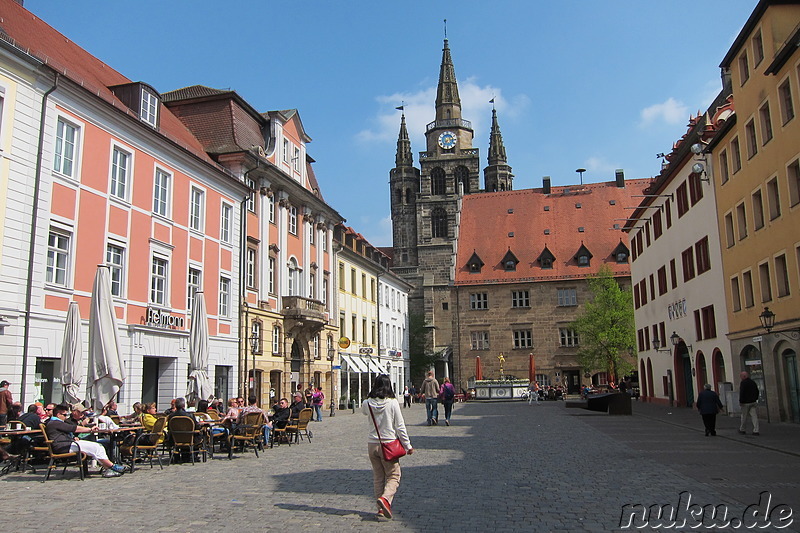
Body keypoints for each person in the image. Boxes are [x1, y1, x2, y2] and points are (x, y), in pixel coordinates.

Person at [362, 374, 413, 520]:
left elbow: (364, 412)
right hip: (388, 444)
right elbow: (400, 426)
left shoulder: (367, 403)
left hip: (372, 444)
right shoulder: (392, 403)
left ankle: (380, 509)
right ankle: (385, 499)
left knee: (378, 477)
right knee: (394, 475)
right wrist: (407, 445)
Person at [46, 404, 127, 477]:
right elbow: (73, 428)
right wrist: (90, 430)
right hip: (64, 446)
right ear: (58, 414)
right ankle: (112, 467)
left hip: (67, 444)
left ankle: (109, 467)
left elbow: (63, 433)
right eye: (64, 415)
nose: (66, 417)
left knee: (98, 446)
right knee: (96, 447)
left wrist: (73, 438)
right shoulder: (55, 422)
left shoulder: (54, 422)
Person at [738, 371, 760, 436]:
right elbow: (757, 391)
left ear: (744, 376)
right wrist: (755, 398)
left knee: (744, 416)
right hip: (753, 402)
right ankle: (756, 430)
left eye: (741, 376)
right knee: (754, 416)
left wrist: (741, 401)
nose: (741, 378)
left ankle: (742, 429)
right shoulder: (753, 382)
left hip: (745, 403)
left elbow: (742, 392)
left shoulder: (743, 383)